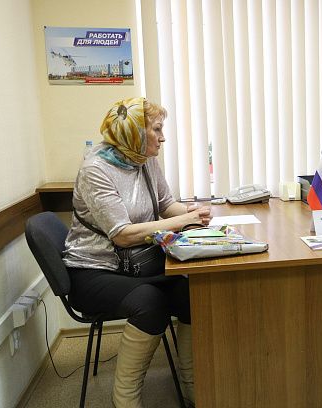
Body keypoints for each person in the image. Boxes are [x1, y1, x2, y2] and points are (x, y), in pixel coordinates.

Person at [63, 97, 211, 407]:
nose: (163, 137)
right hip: (93, 270)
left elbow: (165, 205)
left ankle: (194, 388)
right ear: (134, 133)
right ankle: (125, 400)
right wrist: (182, 221)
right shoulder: (95, 170)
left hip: (136, 264)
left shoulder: (144, 160)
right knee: (150, 303)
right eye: (157, 129)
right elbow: (123, 235)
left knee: (192, 293)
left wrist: (193, 213)